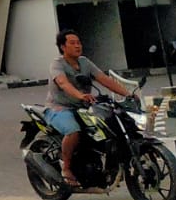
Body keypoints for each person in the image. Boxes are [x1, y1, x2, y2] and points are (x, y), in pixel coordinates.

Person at [46, 28, 131, 186]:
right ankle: (66, 168)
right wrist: (80, 95)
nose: (77, 46)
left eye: (79, 43)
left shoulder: (84, 62)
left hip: (84, 108)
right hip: (60, 108)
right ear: (63, 47)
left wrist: (128, 94)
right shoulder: (57, 64)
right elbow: (63, 83)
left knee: (109, 126)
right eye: (72, 43)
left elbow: (105, 79)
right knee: (73, 131)